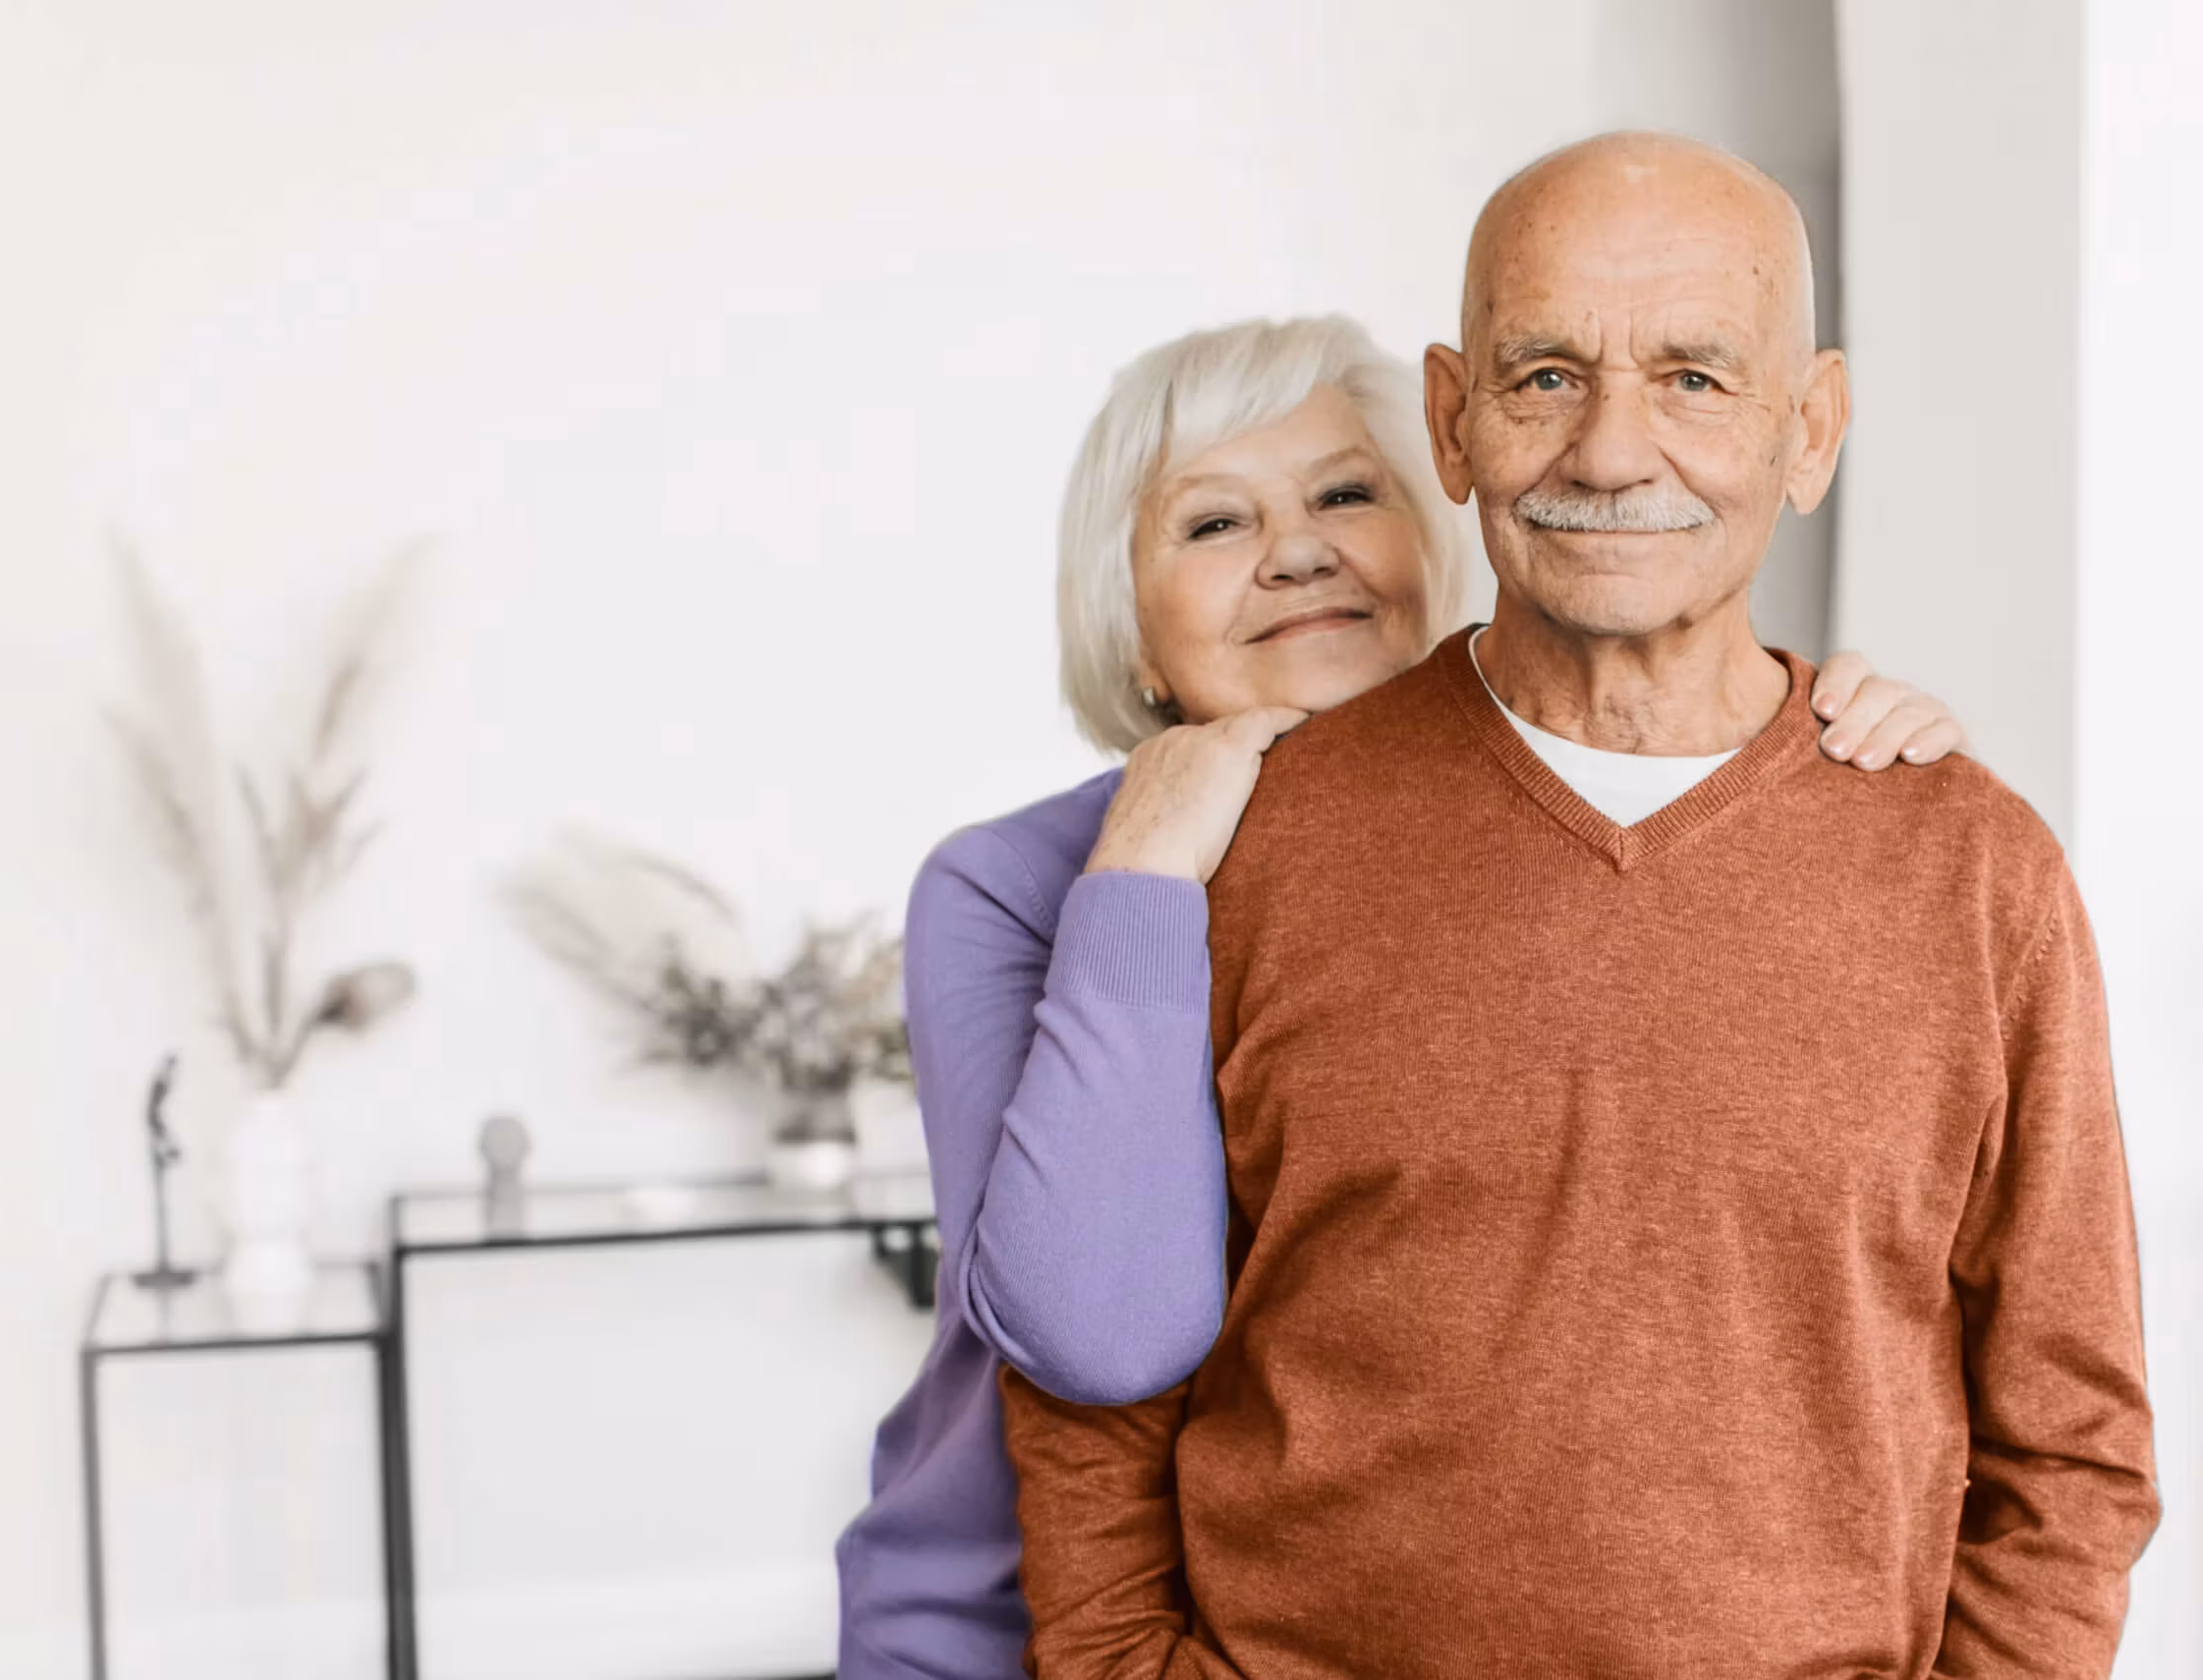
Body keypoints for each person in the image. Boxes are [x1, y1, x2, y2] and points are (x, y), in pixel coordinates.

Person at [998, 132, 2159, 1676]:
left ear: (1811, 432)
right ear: (1451, 417)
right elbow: (1093, 1377)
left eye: (1695, 378)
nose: (1612, 453)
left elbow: (2072, 1437)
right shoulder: (1241, 842)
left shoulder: (1973, 866)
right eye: (1545, 375)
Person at [836, 317, 1969, 1676]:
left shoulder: (1553, 831)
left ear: (1437, 544)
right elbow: (1101, 1326)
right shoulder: (1006, 885)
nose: (1297, 549)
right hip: (1004, 1622)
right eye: (1212, 523)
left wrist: (1797, 740)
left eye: (1343, 493)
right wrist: (1138, 875)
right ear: (1130, 628)